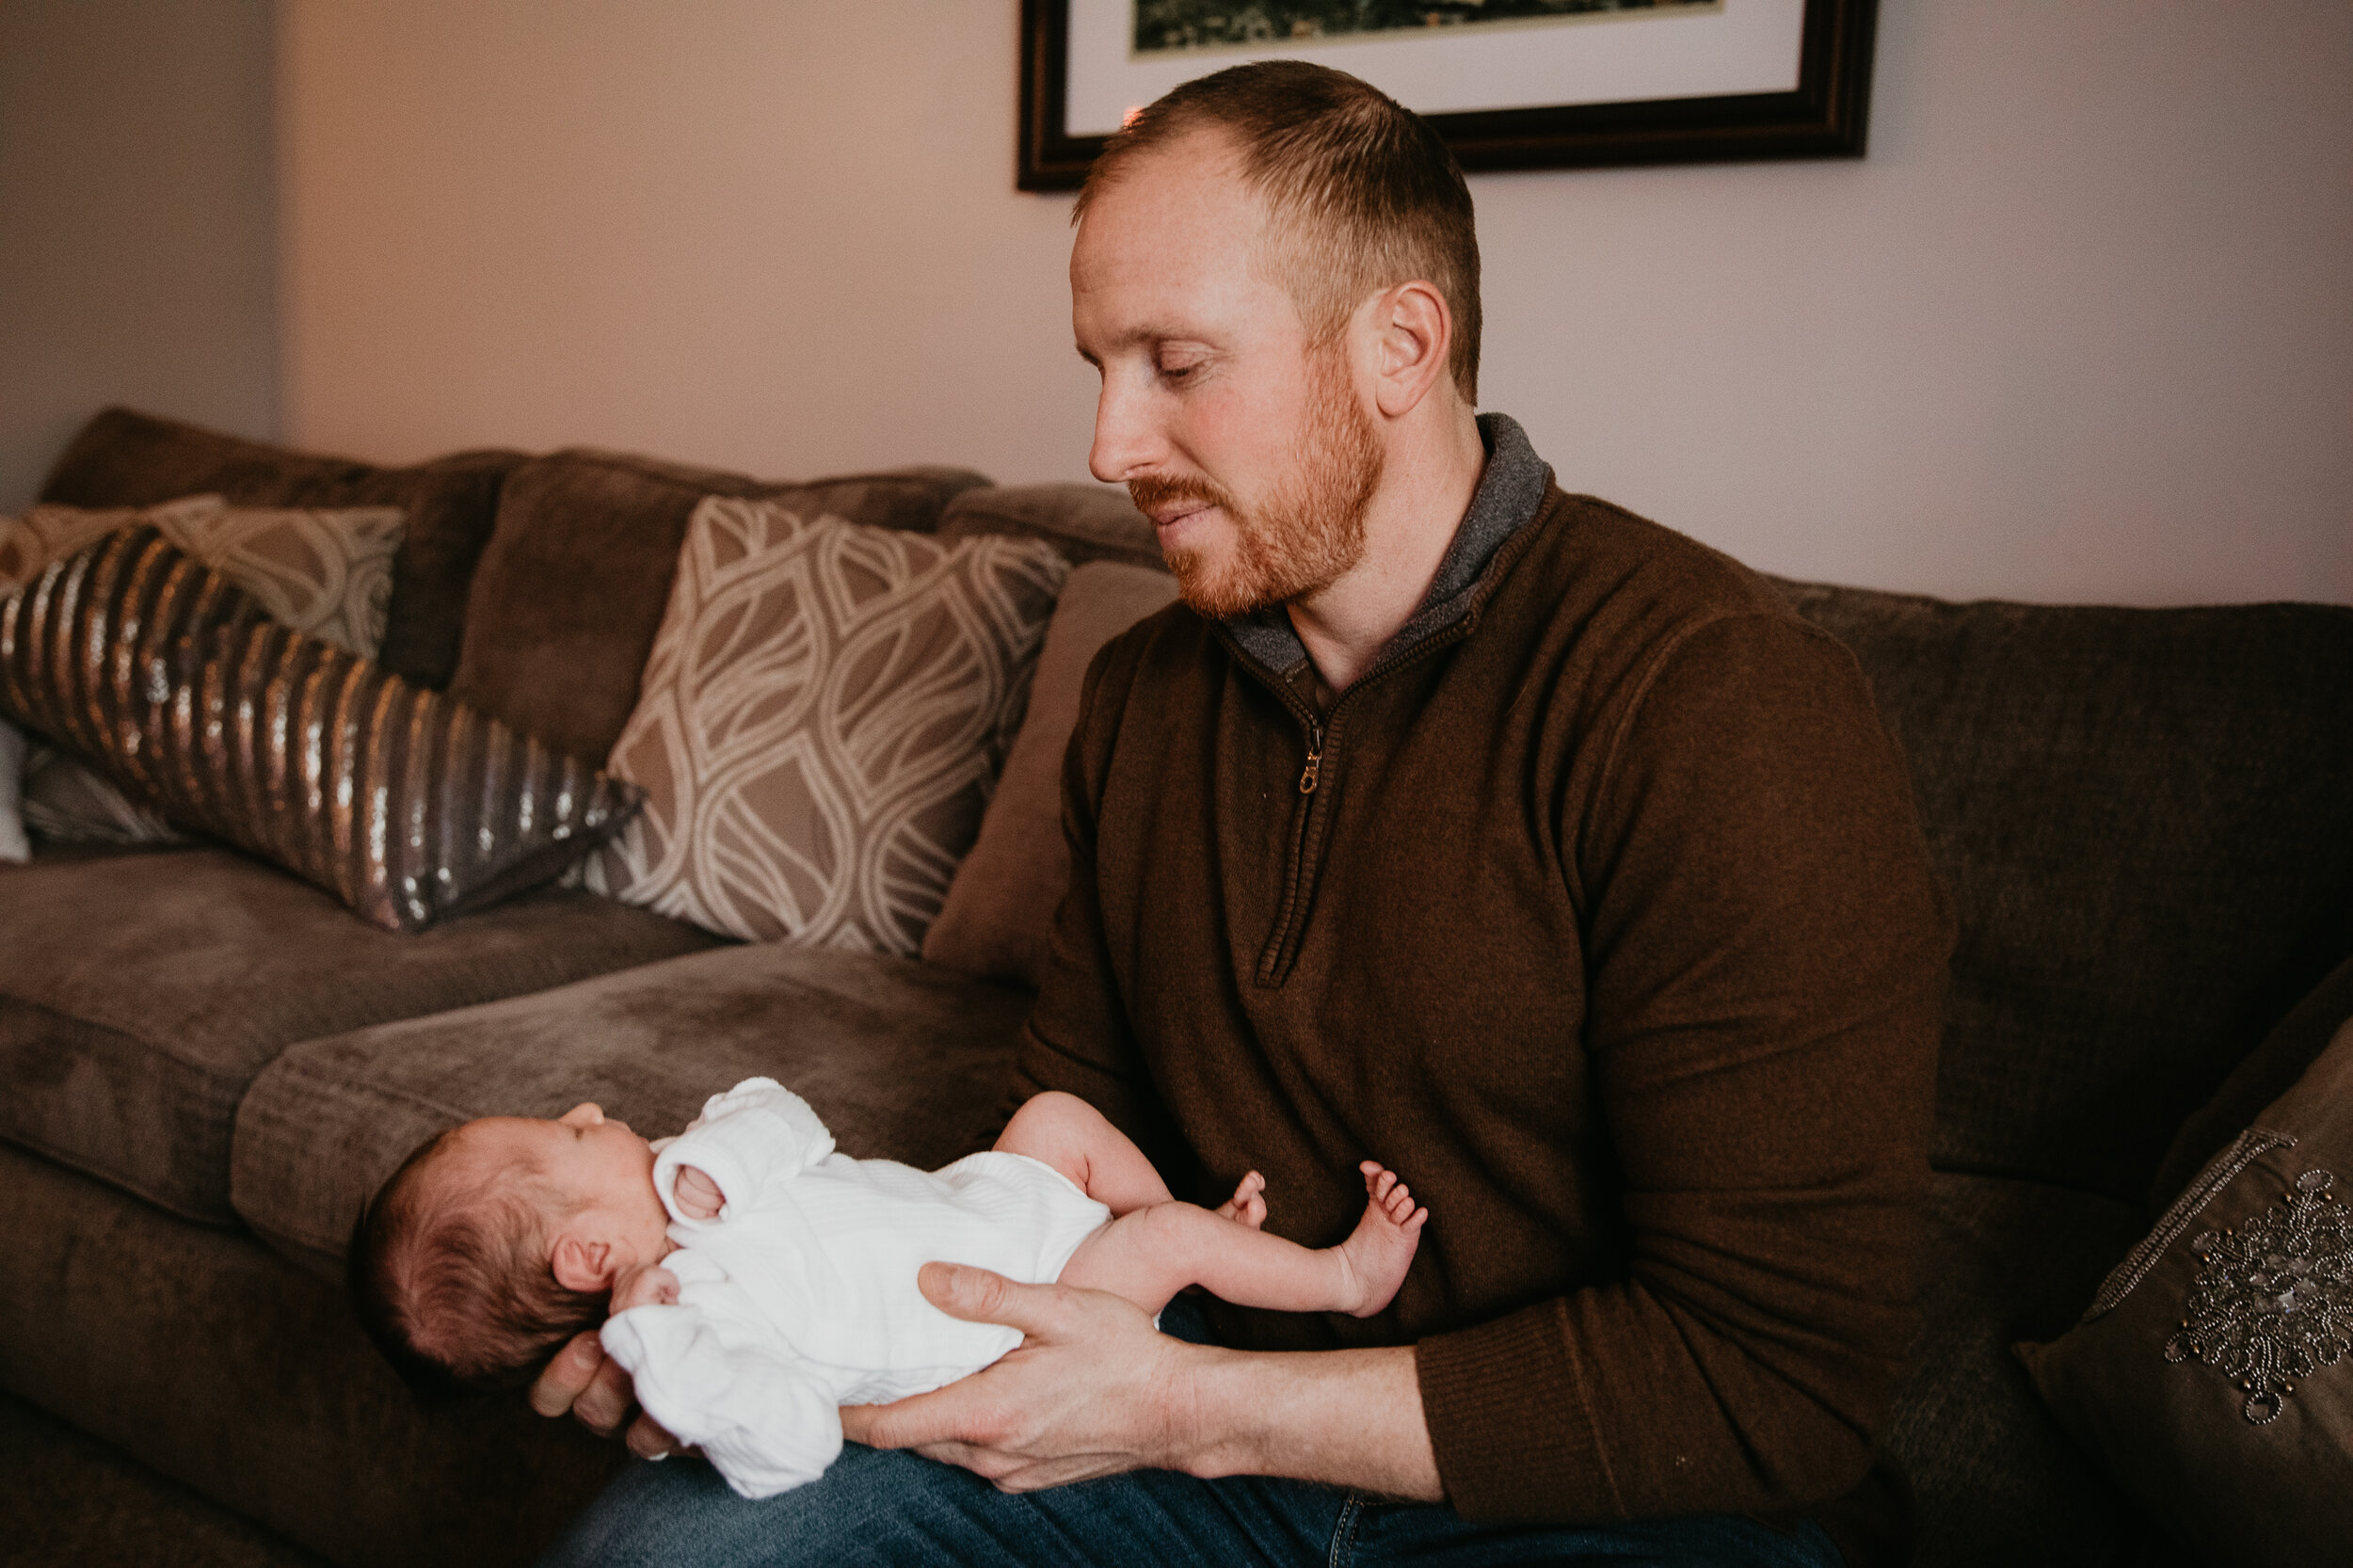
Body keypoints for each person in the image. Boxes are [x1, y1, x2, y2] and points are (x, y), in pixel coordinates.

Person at [533, 58, 1949, 1567]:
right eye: (1096, 364)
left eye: (1175, 362)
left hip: (1592, 1493)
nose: (1106, 446)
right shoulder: (1147, 696)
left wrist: (1187, 1408)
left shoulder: (1715, 702)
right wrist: (772, 1310)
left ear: (1401, 344)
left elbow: (1780, 1379)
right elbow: (1064, 1132)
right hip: (1183, 1402)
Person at [350, 1079, 1427, 1496]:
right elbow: (797, 1443)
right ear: (584, 1260)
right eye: (565, 1133)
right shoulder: (700, 1324)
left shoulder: (696, 1176)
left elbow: (789, 1115)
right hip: (1015, 1322)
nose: (590, 1109)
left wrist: (705, 1174)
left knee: (1057, 1120)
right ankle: (1338, 1274)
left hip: (977, 1211)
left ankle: (1192, 1242)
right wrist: (682, 1382)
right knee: (1160, 1242)